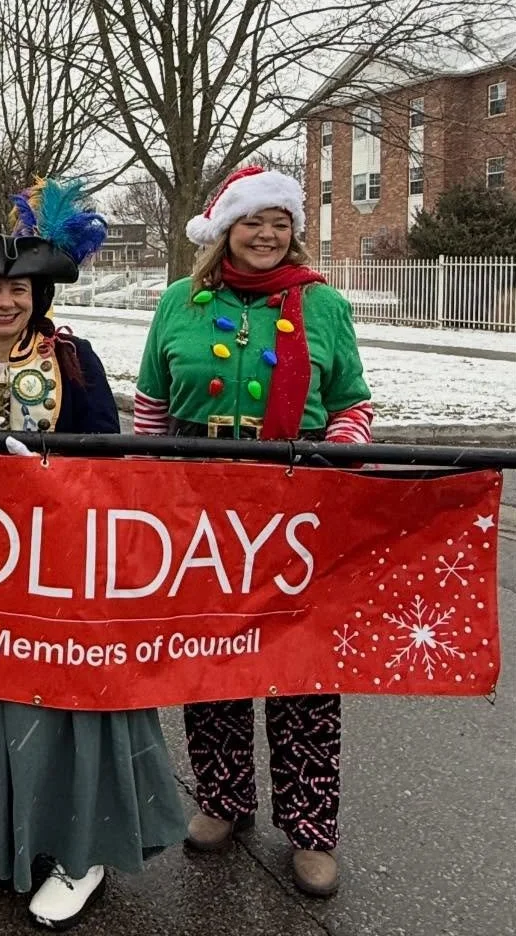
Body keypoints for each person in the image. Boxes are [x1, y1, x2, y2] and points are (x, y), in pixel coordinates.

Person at [0, 179, 187, 931]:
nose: (5, 302)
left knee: (67, 706)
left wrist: (49, 469)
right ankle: (4, 831)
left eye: (19, 290)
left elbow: (111, 460)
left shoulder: (77, 360)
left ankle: (80, 851)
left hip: (64, 563)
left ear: (37, 297)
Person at [134, 166, 372, 899]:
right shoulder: (180, 302)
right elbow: (148, 410)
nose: (266, 235)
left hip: (293, 511)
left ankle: (310, 827)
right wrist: (150, 493)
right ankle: (223, 799)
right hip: (199, 508)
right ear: (225, 229)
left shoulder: (322, 305)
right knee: (213, 656)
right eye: (251, 222)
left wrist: (337, 459)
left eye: (279, 222)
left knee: (301, 665)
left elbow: (352, 404)